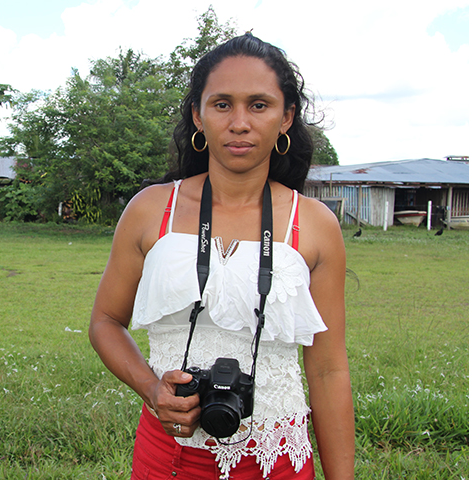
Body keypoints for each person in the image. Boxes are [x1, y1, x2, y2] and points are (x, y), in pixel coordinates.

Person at [88, 34, 353, 480]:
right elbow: (104, 322)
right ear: (198, 114)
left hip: (279, 457)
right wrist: (153, 389)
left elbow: (328, 370)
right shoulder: (152, 210)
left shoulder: (315, 224)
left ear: (286, 117)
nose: (240, 123)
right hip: (168, 454)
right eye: (222, 104)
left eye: (259, 105)